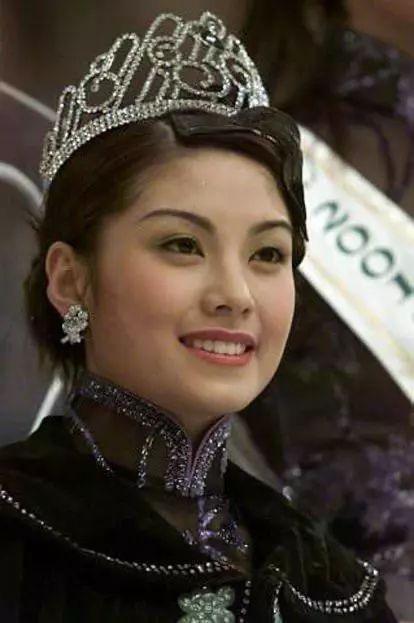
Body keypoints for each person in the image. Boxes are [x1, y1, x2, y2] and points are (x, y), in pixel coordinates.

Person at [0, 10, 397, 622]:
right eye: (183, 245)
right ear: (69, 279)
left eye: (268, 254)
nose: (235, 294)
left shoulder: (334, 588)